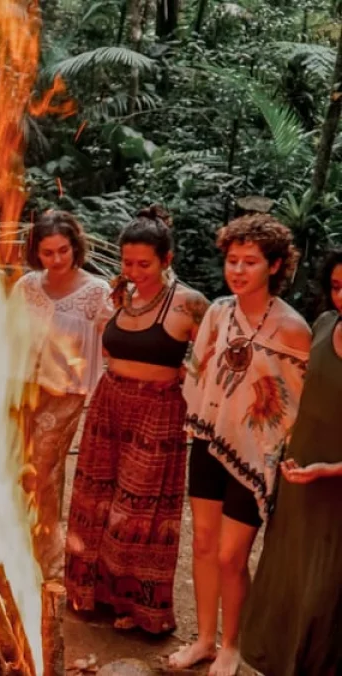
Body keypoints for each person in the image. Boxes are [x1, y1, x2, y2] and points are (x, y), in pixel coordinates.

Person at [170, 214, 311, 676]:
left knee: (232, 556)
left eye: (250, 261)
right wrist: (199, 420)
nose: (238, 270)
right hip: (208, 439)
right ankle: (204, 640)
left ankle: (232, 644)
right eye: (232, 260)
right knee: (204, 543)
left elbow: (297, 401)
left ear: (275, 265)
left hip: (255, 455)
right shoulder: (217, 311)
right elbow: (198, 372)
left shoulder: (293, 329)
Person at [65, 205, 208, 635]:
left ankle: (136, 605)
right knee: (95, 500)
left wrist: (185, 375)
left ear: (167, 259)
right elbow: (105, 346)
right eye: (128, 262)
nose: (134, 271)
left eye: (144, 264)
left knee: (139, 510)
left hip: (157, 412)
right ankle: (91, 593)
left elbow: (212, 361)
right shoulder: (118, 295)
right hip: (109, 404)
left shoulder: (189, 303)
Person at [238, 249, 342, 676]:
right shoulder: (324, 324)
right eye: (337, 287)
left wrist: (331, 470)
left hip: (335, 487)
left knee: (326, 590)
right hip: (299, 475)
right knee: (288, 575)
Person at [10, 210, 112, 581]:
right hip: (21, 387)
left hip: (67, 392)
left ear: (75, 247)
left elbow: (110, 344)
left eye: (63, 251)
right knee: (14, 465)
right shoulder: (27, 286)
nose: (56, 259)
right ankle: (12, 542)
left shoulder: (96, 292)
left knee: (43, 468)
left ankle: (45, 553)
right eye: (47, 252)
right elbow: (9, 334)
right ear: (36, 252)